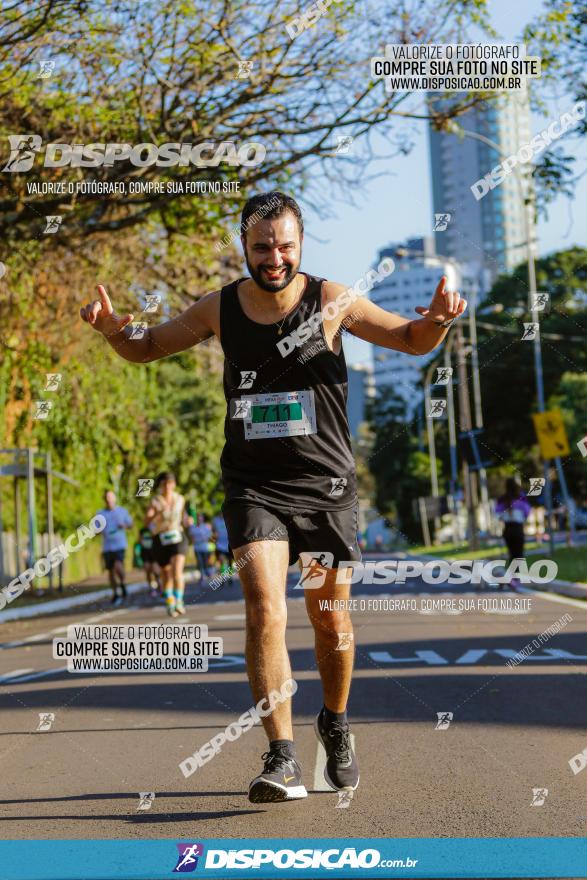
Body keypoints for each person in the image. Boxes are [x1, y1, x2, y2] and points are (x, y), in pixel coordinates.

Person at [80, 190, 466, 802]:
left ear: (301, 245)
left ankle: (335, 724)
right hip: (253, 484)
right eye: (262, 247)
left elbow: (412, 339)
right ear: (244, 246)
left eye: (285, 246)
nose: (275, 258)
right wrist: (113, 330)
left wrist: (440, 319)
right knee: (264, 606)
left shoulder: (332, 301)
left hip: (327, 486)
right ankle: (280, 755)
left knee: (328, 617)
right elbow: (146, 345)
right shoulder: (219, 308)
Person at [145, 472, 191, 617]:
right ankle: (170, 602)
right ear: (160, 486)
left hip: (178, 536)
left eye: (170, 483)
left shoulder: (180, 499)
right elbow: (146, 521)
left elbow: (183, 518)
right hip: (161, 539)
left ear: (174, 484)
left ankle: (179, 601)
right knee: (165, 573)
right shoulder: (155, 501)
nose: (168, 487)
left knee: (177, 570)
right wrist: (155, 514)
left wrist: (188, 520)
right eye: (164, 484)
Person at [96, 490, 133, 605]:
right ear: (104, 499)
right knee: (111, 572)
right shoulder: (100, 514)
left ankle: (122, 583)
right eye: (107, 497)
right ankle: (115, 592)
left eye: (111, 497)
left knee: (118, 566)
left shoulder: (122, 511)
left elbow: (131, 525)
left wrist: (124, 525)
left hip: (120, 544)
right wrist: (99, 530)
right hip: (107, 546)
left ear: (115, 499)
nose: (109, 500)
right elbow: (95, 530)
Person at [495, 478, 532, 590]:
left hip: (507, 529)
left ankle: (508, 578)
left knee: (512, 554)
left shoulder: (502, 499)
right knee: (518, 555)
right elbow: (527, 512)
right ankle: (514, 579)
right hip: (518, 528)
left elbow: (497, 514)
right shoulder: (521, 497)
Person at [138, 525, 162, 598]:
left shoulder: (157, 527)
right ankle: (151, 588)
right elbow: (139, 540)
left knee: (156, 571)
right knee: (148, 570)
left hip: (154, 552)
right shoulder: (142, 530)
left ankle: (160, 587)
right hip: (145, 553)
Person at [212, 511, 235, 583]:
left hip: (228, 544)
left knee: (230, 563)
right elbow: (213, 531)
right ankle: (222, 577)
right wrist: (214, 536)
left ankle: (230, 577)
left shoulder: (229, 519)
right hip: (220, 545)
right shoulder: (215, 520)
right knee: (221, 561)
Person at [189, 513, 213, 582]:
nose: (199, 519)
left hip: (205, 548)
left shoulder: (206, 526)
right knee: (200, 562)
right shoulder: (193, 527)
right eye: (198, 518)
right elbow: (191, 537)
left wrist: (206, 538)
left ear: (202, 519)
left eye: (200, 518)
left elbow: (209, 536)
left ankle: (207, 573)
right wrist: (194, 539)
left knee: (205, 562)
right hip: (197, 548)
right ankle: (202, 575)